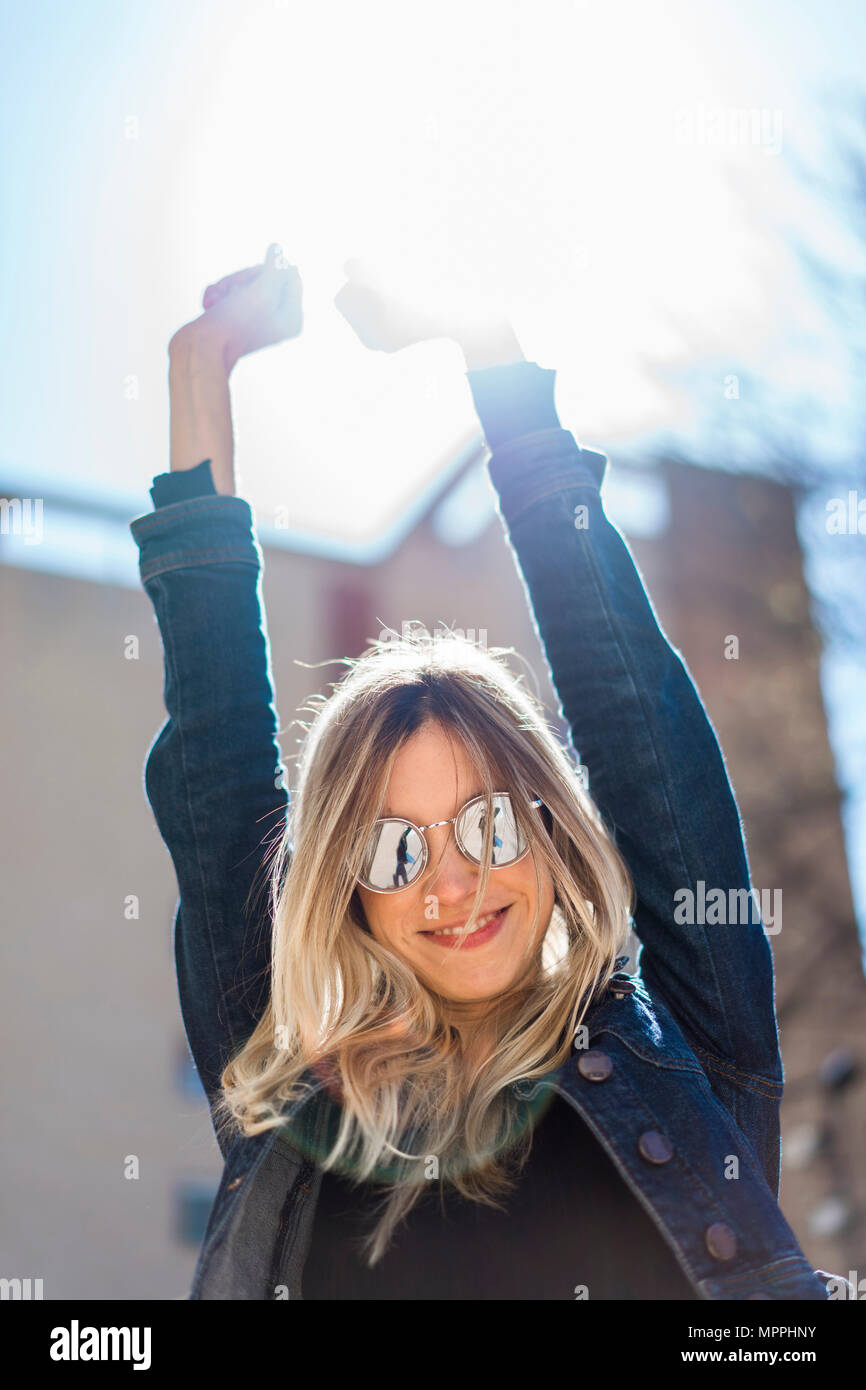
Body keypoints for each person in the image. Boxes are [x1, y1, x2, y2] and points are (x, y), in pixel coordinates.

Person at [130, 244, 837, 1300]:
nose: (451, 883)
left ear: (548, 836)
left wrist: (491, 351)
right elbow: (220, 769)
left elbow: (631, 707)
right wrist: (203, 367)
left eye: (490, 825)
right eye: (394, 847)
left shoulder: (679, 1055)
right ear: (348, 889)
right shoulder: (290, 1100)